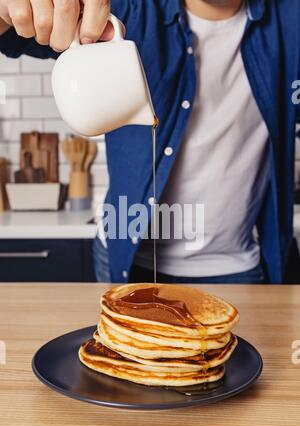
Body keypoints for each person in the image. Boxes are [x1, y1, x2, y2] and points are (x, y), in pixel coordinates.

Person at [0, 0, 299, 285]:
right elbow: (11, 33)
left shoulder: (290, 19)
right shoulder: (128, 8)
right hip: (125, 258)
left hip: (238, 265)